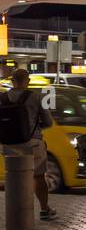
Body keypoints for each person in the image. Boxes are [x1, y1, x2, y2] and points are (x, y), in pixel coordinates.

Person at [1, 69, 56, 221]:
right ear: (28, 81)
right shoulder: (35, 97)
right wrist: (35, 128)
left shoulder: (2, 97)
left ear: (12, 81)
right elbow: (48, 122)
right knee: (38, 176)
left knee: (14, 176)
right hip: (32, 142)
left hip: (8, 145)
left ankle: (16, 210)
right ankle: (44, 210)